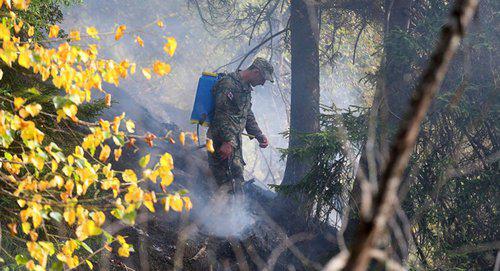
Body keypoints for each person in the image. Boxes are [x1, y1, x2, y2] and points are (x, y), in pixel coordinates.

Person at [207, 57, 274, 194]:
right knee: (224, 184)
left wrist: (259, 135)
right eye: (263, 79)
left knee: (237, 181)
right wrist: (227, 141)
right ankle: (214, 213)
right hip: (220, 140)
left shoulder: (245, 90)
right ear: (256, 72)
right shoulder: (228, 84)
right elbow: (221, 114)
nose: (262, 84)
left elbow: (247, 114)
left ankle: (235, 213)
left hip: (233, 143)